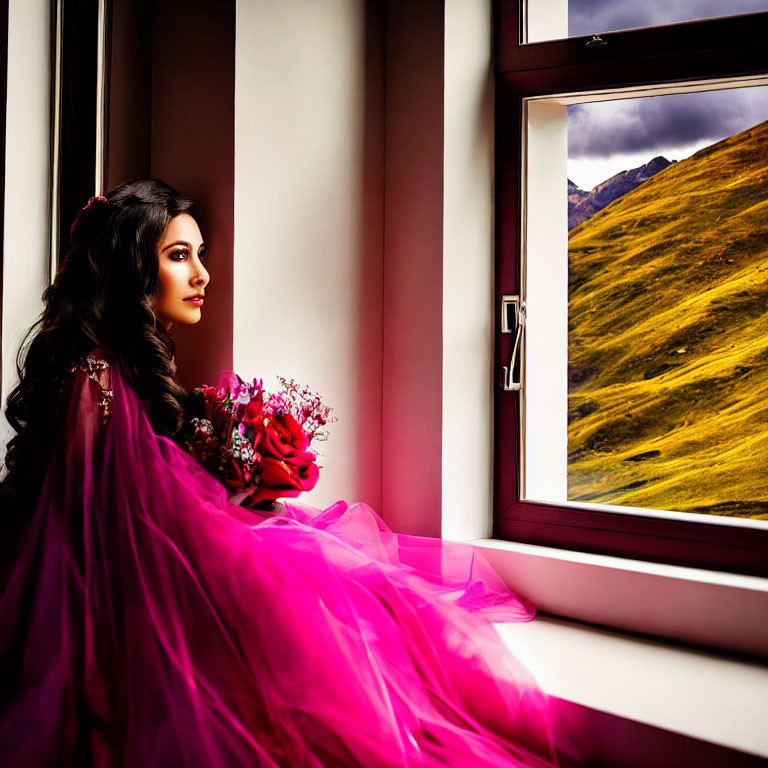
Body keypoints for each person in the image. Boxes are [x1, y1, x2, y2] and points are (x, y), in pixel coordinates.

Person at [0, 179, 559, 767]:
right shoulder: (95, 377)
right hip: (110, 625)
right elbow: (104, 534)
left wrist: (241, 483)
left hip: (140, 593)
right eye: (178, 256)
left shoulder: (120, 367)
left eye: (200, 255)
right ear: (127, 268)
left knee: (356, 596)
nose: (203, 276)